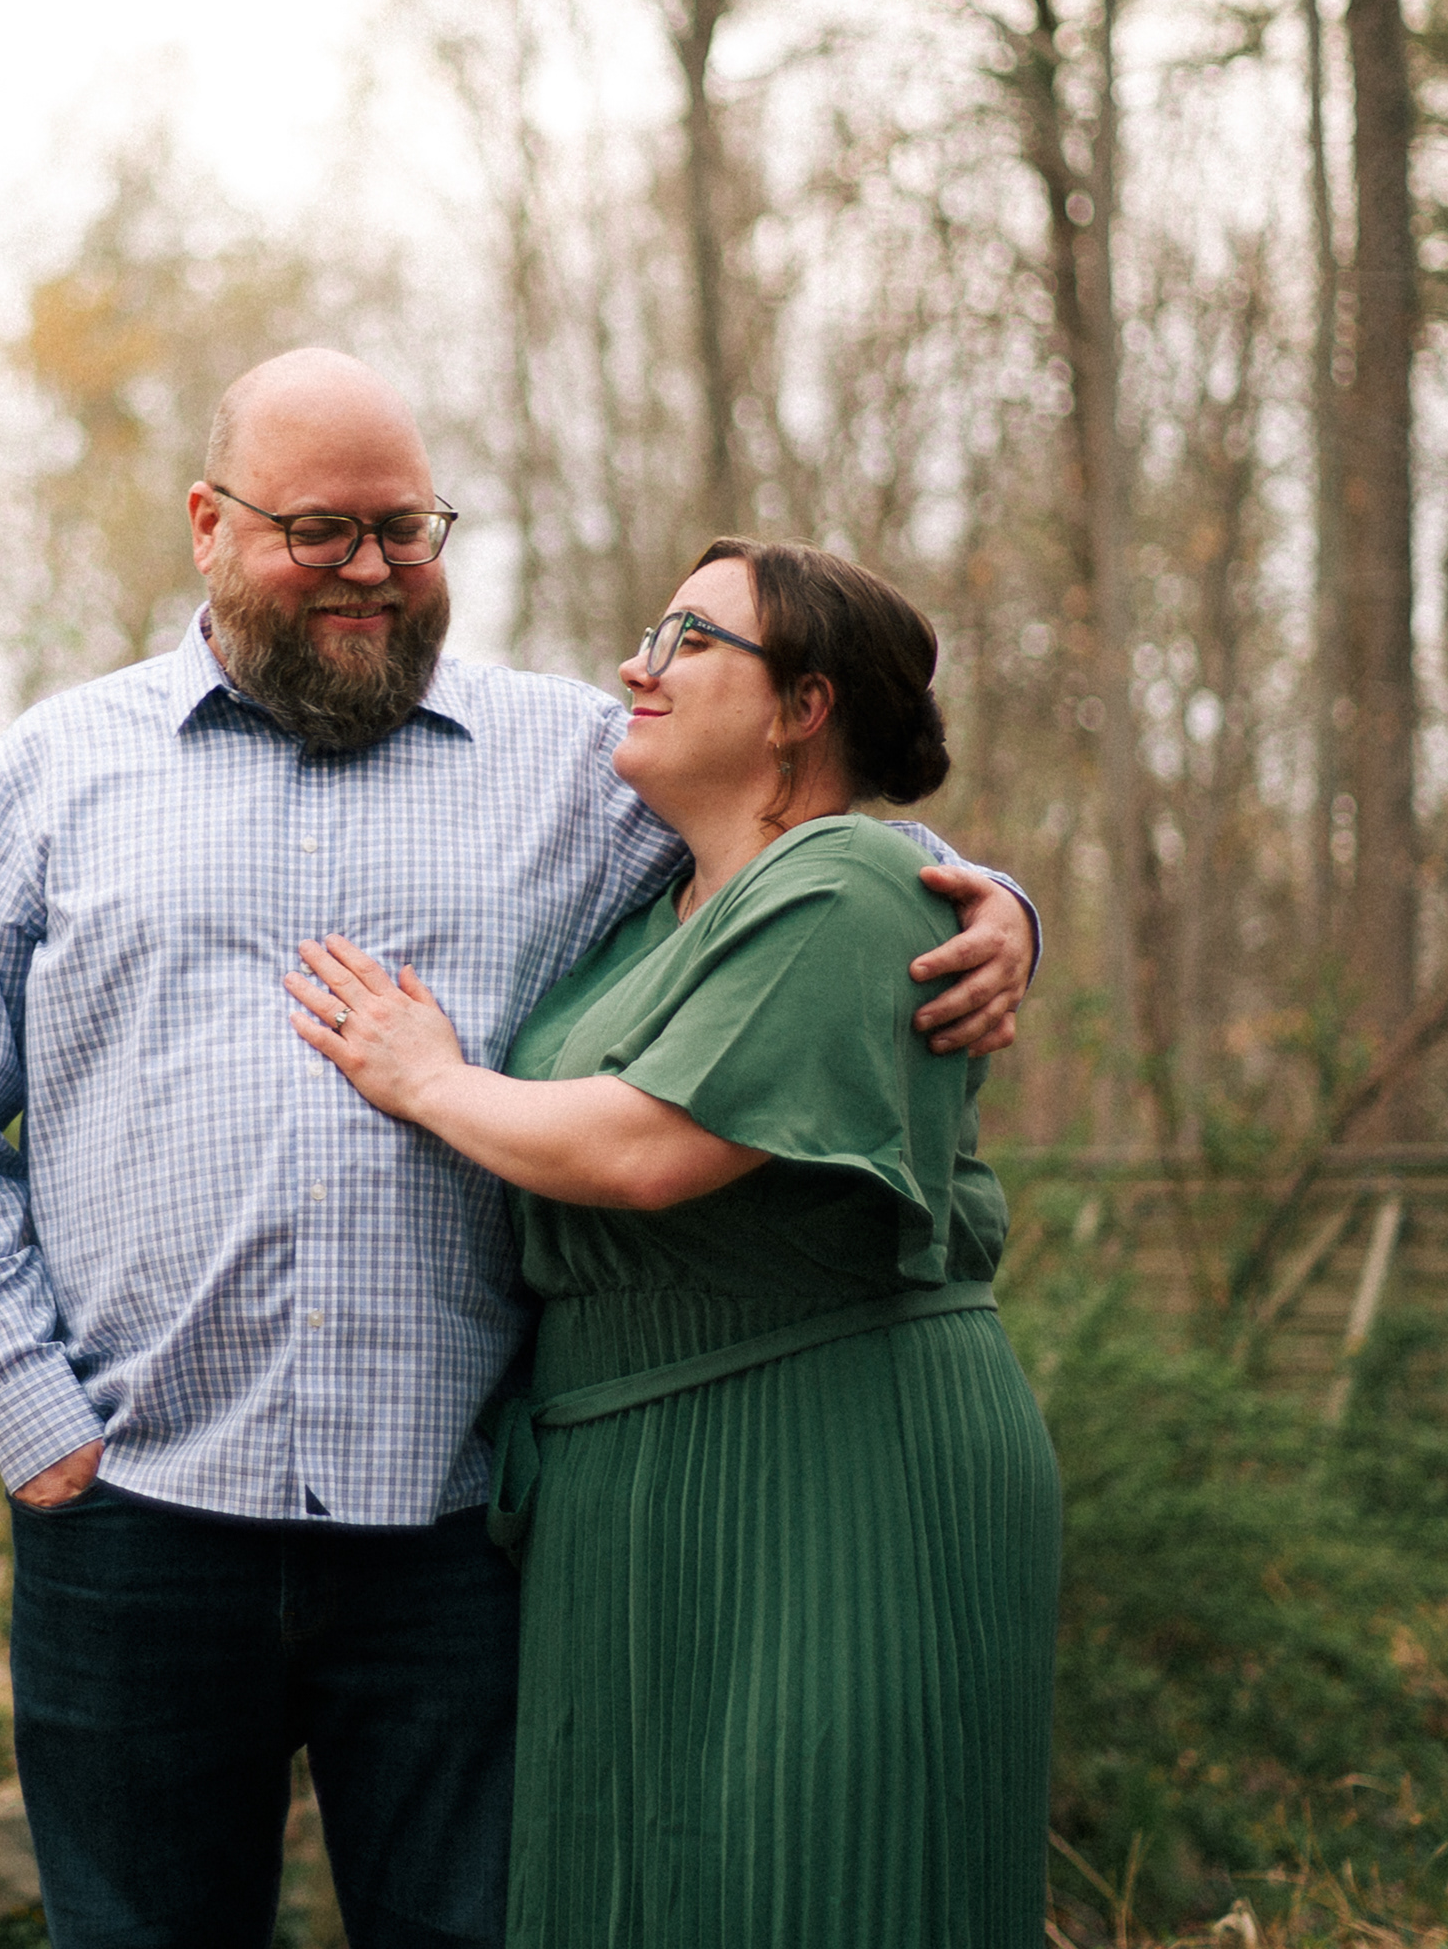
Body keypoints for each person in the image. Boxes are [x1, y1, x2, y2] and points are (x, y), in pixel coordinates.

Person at [0, 350, 1042, 1949]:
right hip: (133, 1521)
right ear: (209, 526)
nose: (370, 569)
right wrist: (36, 1422)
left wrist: (992, 904)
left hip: (460, 1539)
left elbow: (811, 842)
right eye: (320, 531)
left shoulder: (576, 763)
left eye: (404, 530)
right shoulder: (50, 773)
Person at [288, 536, 1060, 1949]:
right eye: (653, 633)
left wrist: (427, 1079)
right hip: (631, 1487)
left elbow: (648, 1150)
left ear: (804, 708)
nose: (635, 666)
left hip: (832, 1466)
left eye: (692, 641)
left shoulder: (849, 886)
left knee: (816, 1883)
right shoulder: (658, 914)